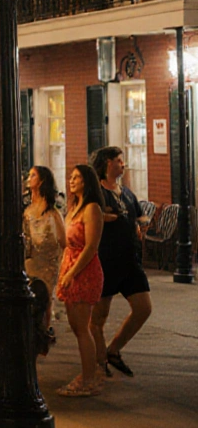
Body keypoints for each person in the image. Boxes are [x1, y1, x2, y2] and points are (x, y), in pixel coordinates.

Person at [88, 146, 150, 379]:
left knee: (144, 308)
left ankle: (114, 349)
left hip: (130, 262)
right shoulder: (96, 193)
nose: (122, 164)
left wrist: (139, 226)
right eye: (118, 160)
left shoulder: (127, 193)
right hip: (106, 260)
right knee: (98, 318)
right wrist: (102, 217)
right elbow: (85, 216)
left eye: (122, 160)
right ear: (106, 164)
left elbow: (139, 217)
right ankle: (99, 360)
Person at [57, 164, 105, 397]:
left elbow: (91, 246)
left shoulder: (92, 209)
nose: (71, 180)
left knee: (83, 327)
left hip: (83, 271)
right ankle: (87, 372)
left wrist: (72, 272)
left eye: (76, 177)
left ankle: (89, 379)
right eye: (71, 176)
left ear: (86, 181)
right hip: (70, 267)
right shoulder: (74, 208)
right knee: (77, 327)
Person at [23, 166, 65, 336]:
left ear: (41, 181)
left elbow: (63, 241)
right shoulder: (27, 210)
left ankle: (44, 332)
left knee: (46, 297)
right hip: (32, 261)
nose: (28, 178)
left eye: (33, 175)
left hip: (48, 262)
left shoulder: (53, 213)